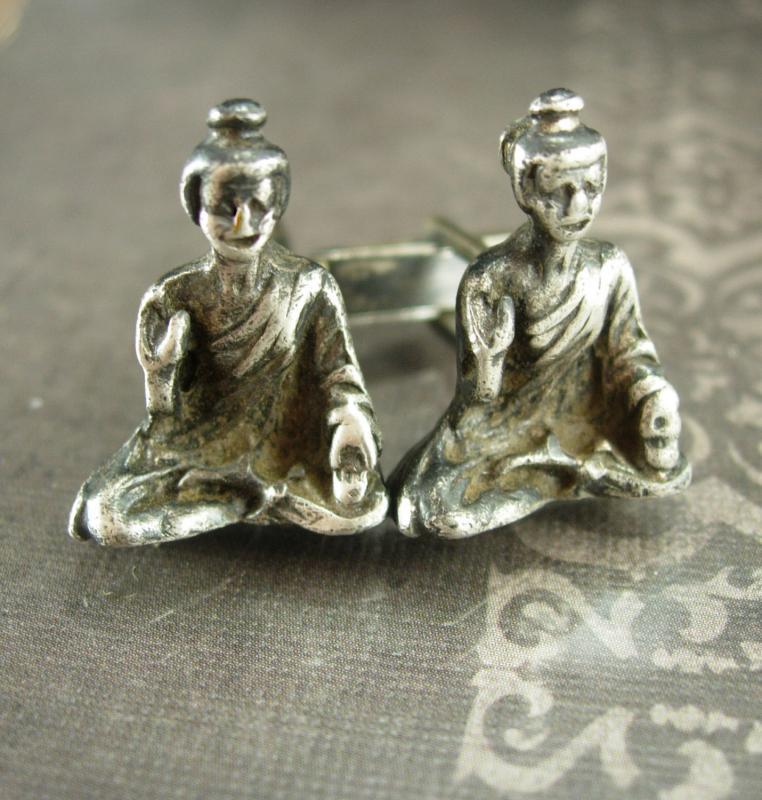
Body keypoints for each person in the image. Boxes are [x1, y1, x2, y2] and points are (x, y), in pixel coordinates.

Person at [69, 99, 387, 546]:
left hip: (283, 456)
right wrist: (160, 376)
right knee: (108, 517)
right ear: (196, 207)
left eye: (260, 205)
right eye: (226, 207)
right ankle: (241, 498)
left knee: (363, 508)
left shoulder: (311, 287)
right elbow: (165, 419)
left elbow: (339, 376)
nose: (244, 223)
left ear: (279, 204)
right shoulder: (173, 296)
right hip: (196, 456)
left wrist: (350, 423)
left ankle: (246, 495)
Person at [391, 88, 690, 538]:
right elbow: (477, 403)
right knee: (433, 509)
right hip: (503, 432)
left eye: (591, 189)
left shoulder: (609, 267)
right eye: (559, 192)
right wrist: (489, 362)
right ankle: (548, 473)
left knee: (652, 463)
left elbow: (629, 354)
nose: (577, 208)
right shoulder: (491, 280)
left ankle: (565, 469)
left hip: (581, 421)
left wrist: (652, 394)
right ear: (526, 190)